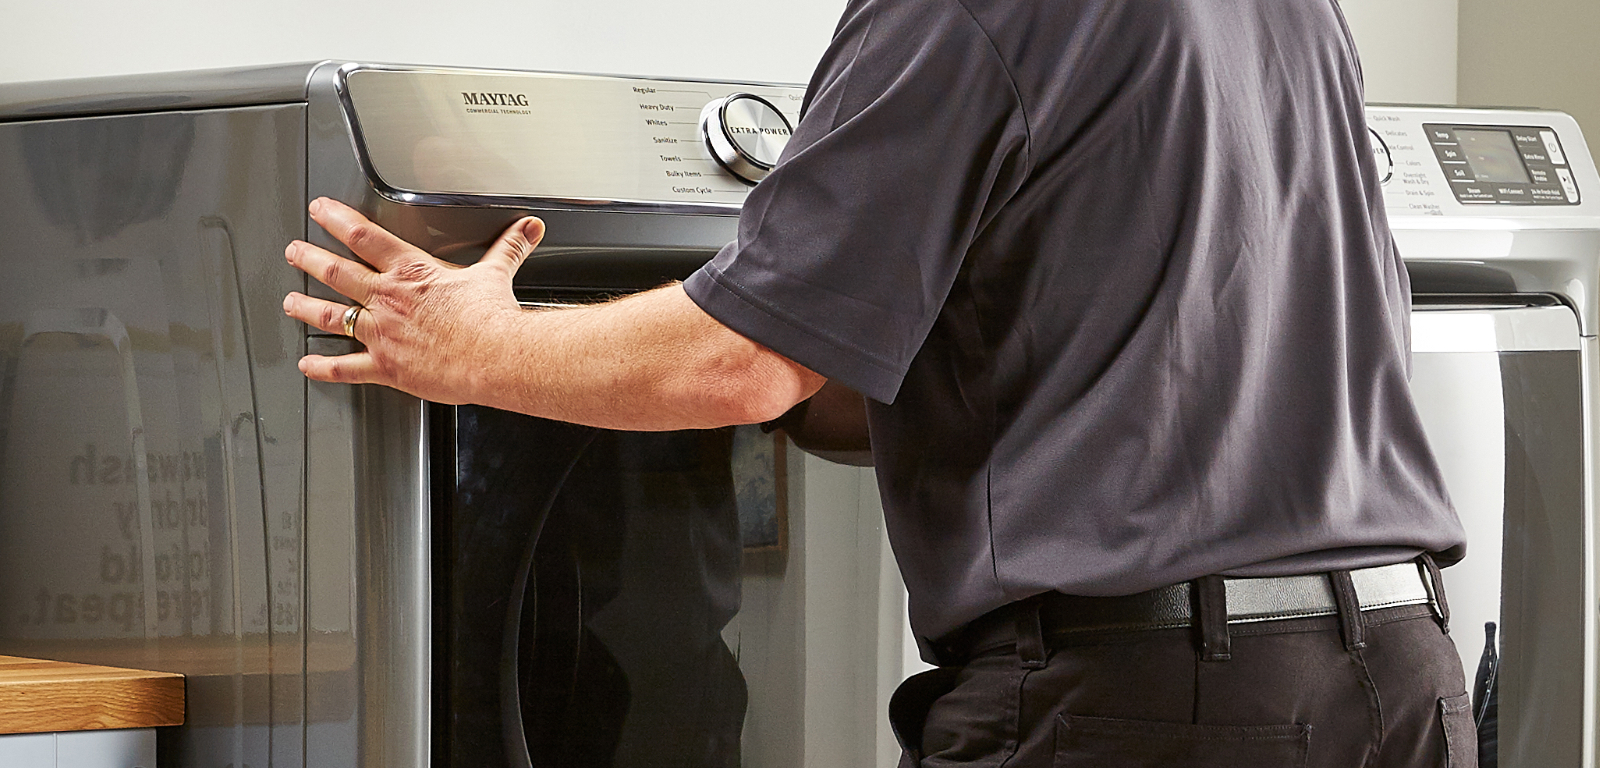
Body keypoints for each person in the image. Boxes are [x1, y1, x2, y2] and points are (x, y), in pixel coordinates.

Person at [283, 0, 1477, 764]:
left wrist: (471, 347)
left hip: (1157, 702)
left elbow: (734, 364)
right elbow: (1128, 348)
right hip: (1397, 677)